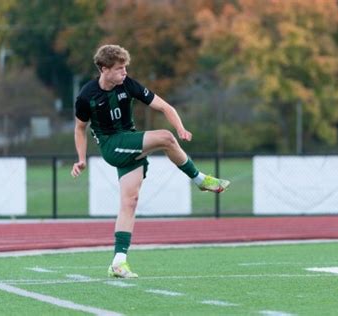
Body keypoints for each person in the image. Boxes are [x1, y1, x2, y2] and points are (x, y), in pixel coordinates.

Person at [71, 44, 230, 278]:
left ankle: (118, 261)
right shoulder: (86, 96)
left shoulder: (128, 84)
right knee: (165, 138)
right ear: (104, 69)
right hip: (112, 145)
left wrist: (181, 127)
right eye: (119, 68)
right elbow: (80, 128)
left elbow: (165, 106)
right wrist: (81, 159)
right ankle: (199, 180)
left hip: (129, 142)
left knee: (130, 202)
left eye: (126, 68)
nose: (124, 72)